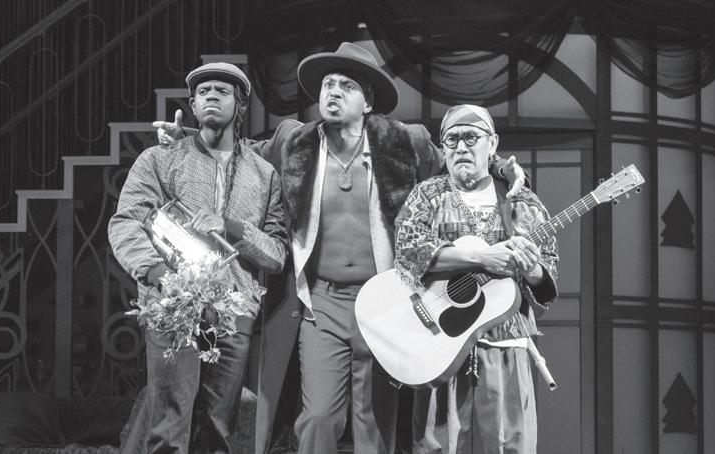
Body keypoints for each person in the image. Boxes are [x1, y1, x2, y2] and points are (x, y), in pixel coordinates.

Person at [155, 42, 526, 453]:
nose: (333, 92)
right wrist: (188, 137)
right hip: (321, 302)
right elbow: (241, 156)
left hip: (387, 303)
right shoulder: (293, 141)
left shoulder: (405, 142)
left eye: (346, 86)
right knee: (317, 419)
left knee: (374, 424)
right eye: (328, 84)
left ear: (368, 102)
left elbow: (459, 160)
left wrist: (500, 167)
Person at [108, 62, 288, 453]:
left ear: (241, 105)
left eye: (222, 91)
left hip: (233, 312)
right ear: (192, 105)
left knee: (218, 429)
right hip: (172, 306)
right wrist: (159, 275)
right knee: (169, 426)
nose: (211, 97)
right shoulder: (160, 159)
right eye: (203, 92)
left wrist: (233, 228)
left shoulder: (264, 174)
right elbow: (125, 224)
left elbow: (277, 255)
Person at [394, 104, 559, 453]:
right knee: (436, 446)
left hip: (505, 344)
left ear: (492, 143)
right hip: (440, 347)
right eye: (451, 140)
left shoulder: (521, 202)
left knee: (509, 446)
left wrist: (532, 269)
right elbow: (407, 250)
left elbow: (547, 278)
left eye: (471, 138)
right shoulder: (428, 195)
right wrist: (480, 257)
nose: (461, 147)